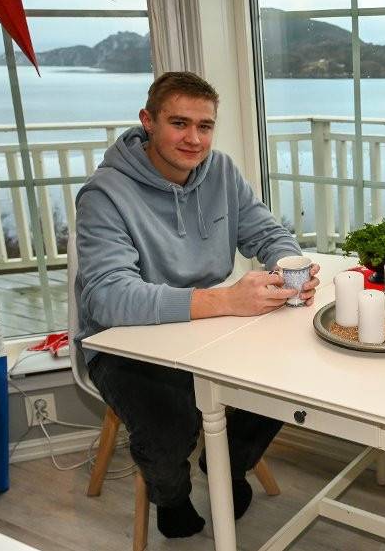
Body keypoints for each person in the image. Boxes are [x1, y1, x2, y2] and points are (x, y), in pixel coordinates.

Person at [74, 71, 321, 539]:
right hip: (123, 342)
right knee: (170, 424)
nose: (194, 139)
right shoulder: (104, 196)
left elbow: (266, 232)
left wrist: (291, 266)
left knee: (292, 374)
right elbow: (107, 298)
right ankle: (170, 495)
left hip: (203, 327)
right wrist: (226, 300)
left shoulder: (220, 171)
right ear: (148, 121)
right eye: (179, 123)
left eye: (204, 126)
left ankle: (227, 464)